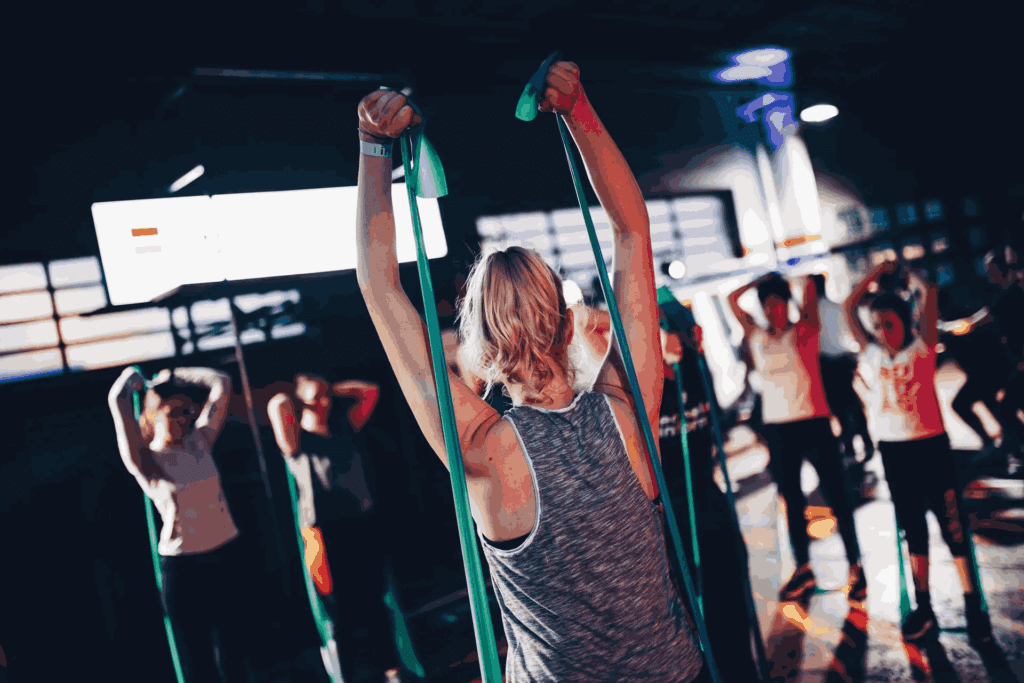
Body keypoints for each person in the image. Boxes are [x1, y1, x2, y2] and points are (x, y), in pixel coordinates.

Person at [354, 62, 706, 682]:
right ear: (571, 326)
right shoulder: (629, 410)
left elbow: (381, 289)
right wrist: (579, 110)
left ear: (480, 353)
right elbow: (631, 230)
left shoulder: (485, 450)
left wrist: (373, 149)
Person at [843, 261, 994, 646]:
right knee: (914, 531)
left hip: (931, 447)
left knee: (952, 526)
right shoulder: (873, 354)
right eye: (877, 326)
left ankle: (972, 602)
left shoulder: (921, 347)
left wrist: (903, 268)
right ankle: (924, 606)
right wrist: (874, 273)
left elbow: (928, 293)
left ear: (905, 323)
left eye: (889, 324)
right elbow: (849, 307)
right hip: (894, 452)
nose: (882, 332)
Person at [108, 366, 253, 682]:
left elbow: (222, 383)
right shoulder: (145, 460)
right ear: (153, 416)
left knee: (235, 651)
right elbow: (116, 400)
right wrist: (129, 380)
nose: (184, 418)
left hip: (226, 554)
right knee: (198, 660)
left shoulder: (199, 442)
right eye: (174, 412)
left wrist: (175, 374)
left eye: (187, 411)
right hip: (185, 567)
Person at [728, 272, 865, 603]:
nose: (773, 311)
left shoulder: (804, 331)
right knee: (791, 500)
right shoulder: (757, 337)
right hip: (779, 429)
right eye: (767, 305)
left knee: (838, 497)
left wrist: (789, 280)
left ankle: (855, 567)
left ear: (787, 304)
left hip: (813, 423)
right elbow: (733, 298)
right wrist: (764, 278)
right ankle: (803, 569)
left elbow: (809, 294)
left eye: (778, 304)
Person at [267, 374, 398, 683]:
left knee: (374, 600)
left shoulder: (344, 426)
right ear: (301, 401)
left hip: (359, 525)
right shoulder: (295, 439)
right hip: (321, 534)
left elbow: (370, 390)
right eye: (316, 398)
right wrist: (302, 397)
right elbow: (277, 405)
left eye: (326, 397)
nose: (323, 402)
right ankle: (346, 677)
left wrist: (330, 390)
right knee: (336, 612)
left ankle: (391, 671)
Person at [810, 273, 874, 465]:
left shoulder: (811, 314)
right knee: (852, 403)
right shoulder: (836, 308)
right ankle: (866, 441)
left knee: (839, 407)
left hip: (827, 366)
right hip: (843, 361)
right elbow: (848, 335)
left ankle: (849, 446)